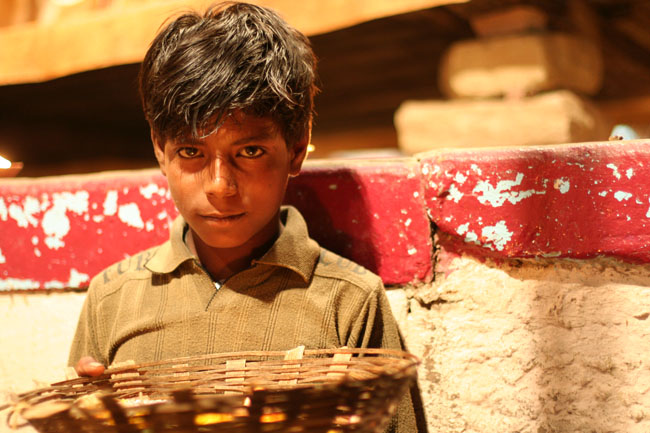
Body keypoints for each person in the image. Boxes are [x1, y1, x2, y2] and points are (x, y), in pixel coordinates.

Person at [68, 2, 426, 432]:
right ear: (161, 152)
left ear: (296, 149)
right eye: (190, 152)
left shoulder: (348, 303)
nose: (220, 185)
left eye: (250, 151)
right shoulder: (112, 298)